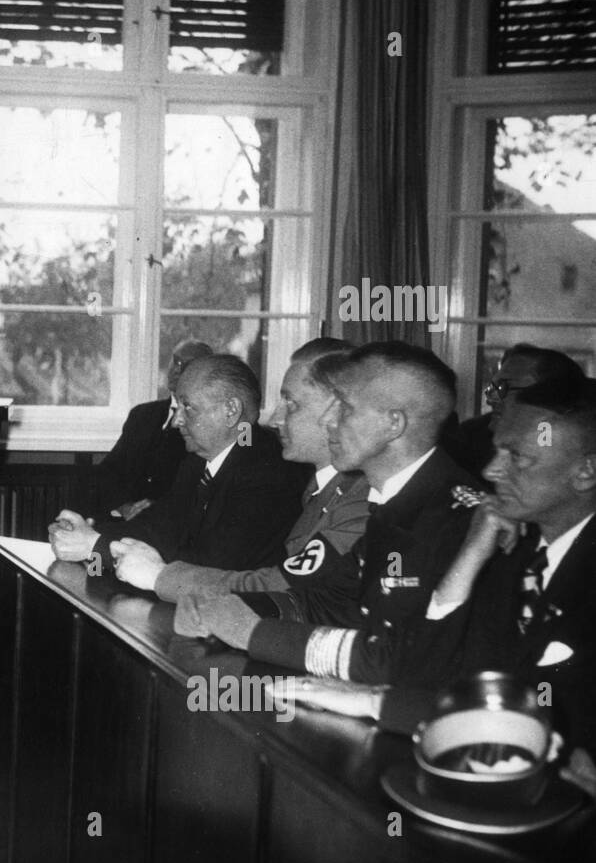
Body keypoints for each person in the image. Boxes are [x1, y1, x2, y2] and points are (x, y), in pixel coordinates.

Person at [295, 377, 596, 798]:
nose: (492, 470)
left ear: (586, 471)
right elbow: (424, 674)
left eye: (518, 458)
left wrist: (373, 703)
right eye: (497, 449)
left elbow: (532, 725)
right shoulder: (514, 548)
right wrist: (469, 560)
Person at [176, 341, 479, 689]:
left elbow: (404, 657)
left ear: (393, 424)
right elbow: (331, 601)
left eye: (345, 408)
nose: (328, 421)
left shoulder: (457, 519)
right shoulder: (396, 501)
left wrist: (252, 632)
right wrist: (224, 605)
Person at [112, 338, 370, 616]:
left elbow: (284, 587)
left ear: (337, 412)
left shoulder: (354, 497)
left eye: (292, 404)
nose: (274, 420)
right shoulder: (321, 489)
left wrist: (160, 577)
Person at [49, 353, 309, 573]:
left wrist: (95, 546)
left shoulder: (268, 470)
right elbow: (156, 528)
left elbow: (211, 564)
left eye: (188, 407)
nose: (176, 421)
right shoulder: (197, 462)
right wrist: (89, 534)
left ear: (231, 411)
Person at [91, 339, 212, 522]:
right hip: (125, 519)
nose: (177, 370)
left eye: (187, 365)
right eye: (175, 361)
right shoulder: (142, 415)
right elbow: (109, 472)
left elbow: (200, 489)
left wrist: (157, 511)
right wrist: (125, 507)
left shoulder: (208, 424)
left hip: (173, 526)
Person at [445, 343, 585, 480]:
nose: (491, 399)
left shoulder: (581, 445)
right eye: (492, 388)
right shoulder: (471, 437)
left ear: (552, 394)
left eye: (504, 388)